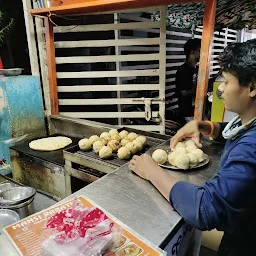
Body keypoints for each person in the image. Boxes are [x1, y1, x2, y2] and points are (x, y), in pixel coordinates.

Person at [129, 39, 256, 256]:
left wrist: (153, 172)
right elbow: (238, 130)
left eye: (226, 81)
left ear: (252, 87)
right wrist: (207, 127)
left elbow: (204, 208)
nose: (221, 89)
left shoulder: (251, 147)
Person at [175, 39, 201, 123]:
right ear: (193, 52)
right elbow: (184, 93)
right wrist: (200, 90)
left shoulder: (196, 69)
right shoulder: (183, 71)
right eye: (200, 50)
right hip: (187, 114)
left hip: (196, 112)